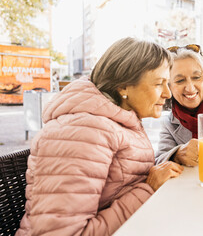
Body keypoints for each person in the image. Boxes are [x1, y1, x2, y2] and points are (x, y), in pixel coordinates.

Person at [16, 38, 184, 236]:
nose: (167, 93)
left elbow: (124, 179)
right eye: (159, 83)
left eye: (168, 83)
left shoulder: (118, 120)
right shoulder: (84, 131)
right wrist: (148, 189)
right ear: (123, 87)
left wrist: (173, 158)